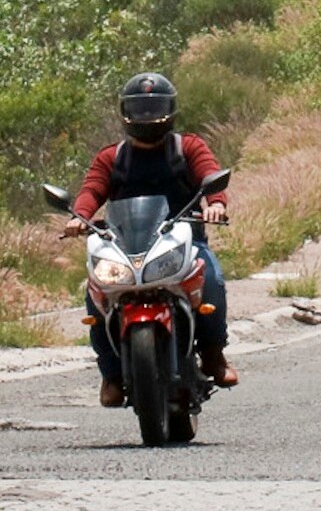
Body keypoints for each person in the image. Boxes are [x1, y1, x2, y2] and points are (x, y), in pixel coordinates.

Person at [63, 73, 237, 408]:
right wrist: (78, 216)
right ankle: (111, 375)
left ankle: (214, 356)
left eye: (155, 108)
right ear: (125, 112)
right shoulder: (112, 157)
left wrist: (215, 203)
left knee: (212, 279)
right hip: (125, 246)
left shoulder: (188, 147)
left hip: (183, 243)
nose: (147, 116)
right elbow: (92, 190)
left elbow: (209, 174)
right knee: (96, 293)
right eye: (140, 109)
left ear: (170, 110)